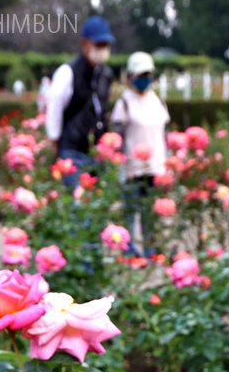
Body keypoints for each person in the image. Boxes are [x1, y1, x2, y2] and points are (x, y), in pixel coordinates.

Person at [111, 52, 170, 257]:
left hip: (156, 168)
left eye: (148, 75)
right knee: (130, 213)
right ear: (130, 77)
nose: (145, 79)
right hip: (132, 169)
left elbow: (164, 134)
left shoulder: (157, 101)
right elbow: (116, 137)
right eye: (140, 75)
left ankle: (151, 250)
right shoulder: (124, 103)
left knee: (150, 214)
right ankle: (129, 254)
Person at [45, 15, 115, 187]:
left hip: (97, 152)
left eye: (105, 45)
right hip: (73, 150)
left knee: (99, 200)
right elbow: (54, 108)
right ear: (85, 44)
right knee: (78, 200)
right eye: (98, 44)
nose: (102, 49)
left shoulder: (105, 74)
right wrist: (57, 142)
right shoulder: (68, 72)